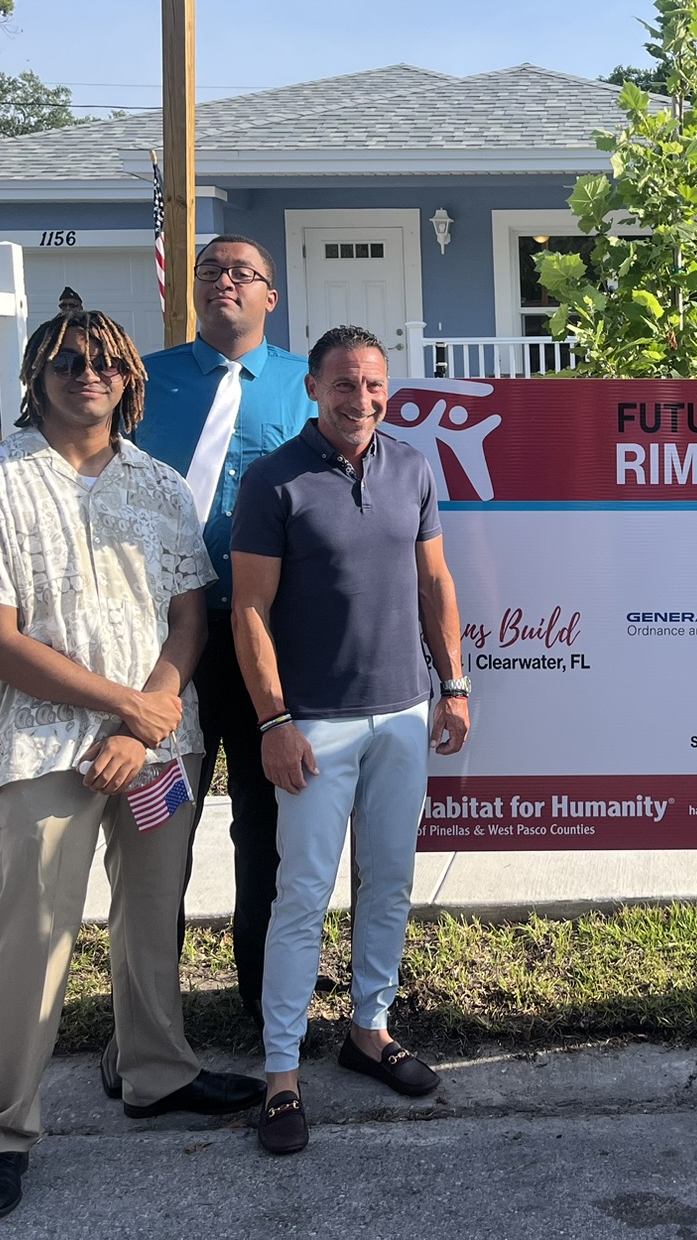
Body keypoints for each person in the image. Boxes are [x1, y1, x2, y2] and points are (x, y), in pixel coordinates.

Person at [0, 309, 263, 1224]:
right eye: (70, 362)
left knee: (152, 917)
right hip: (48, 749)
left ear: (130, 380)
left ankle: (157, 1075)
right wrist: (124, 708)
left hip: (160, 745)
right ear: (37, 375)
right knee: (35, 932)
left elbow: (189, 617)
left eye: (109, 363)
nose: (91, 374)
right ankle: (5, 1131)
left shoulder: (158, 484)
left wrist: (149, 718)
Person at [230, 324, 473, 1155]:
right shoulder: (273, 481)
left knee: (390, 883)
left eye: (373, 384)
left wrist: (455, 684)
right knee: (300, 897)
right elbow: (249, 611)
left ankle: (370, 1031)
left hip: (404, 712)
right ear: (312, 388)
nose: (361, 399)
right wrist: (273, 720)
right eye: (343, 384)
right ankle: (282, 1077)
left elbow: (434, 580)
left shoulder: (412, 466)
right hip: (315, 727)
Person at [131, 233, 314, 1070]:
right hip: (164, 642)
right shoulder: (146, 382)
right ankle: (148, 1024)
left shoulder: (301, 385)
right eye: (210, 272)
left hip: (261, 639)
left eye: (243, 273)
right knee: (159, 825)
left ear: (270, 295)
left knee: (265, 829)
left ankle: (260, 1002)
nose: (224, 283)